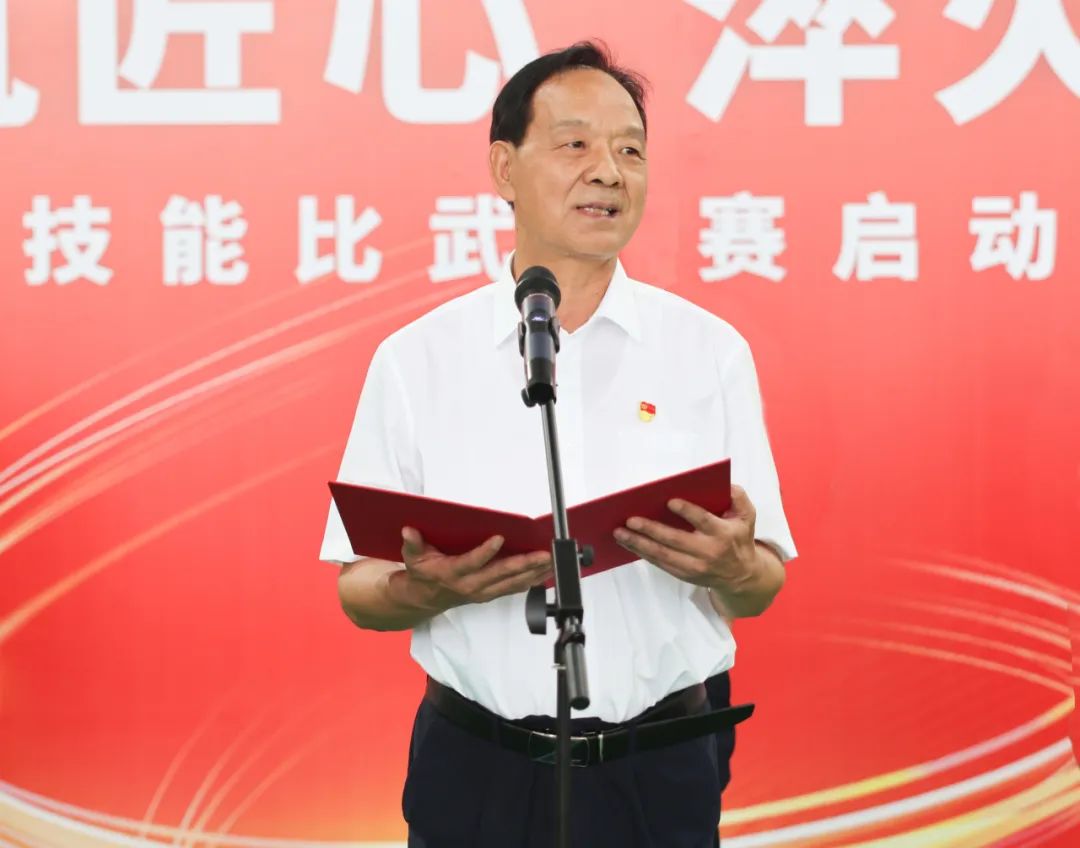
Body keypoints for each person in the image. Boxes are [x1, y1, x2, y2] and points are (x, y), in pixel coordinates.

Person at [320, 40, 796, 848]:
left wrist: (732, 567)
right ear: (505, 169)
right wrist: (428, 589)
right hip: (478, 767)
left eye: (630, 151)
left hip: (661, 769)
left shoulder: (708, 351)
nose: (608, 172)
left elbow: (761, 585)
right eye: (576, 144)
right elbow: (357, 590)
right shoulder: (417, 359)